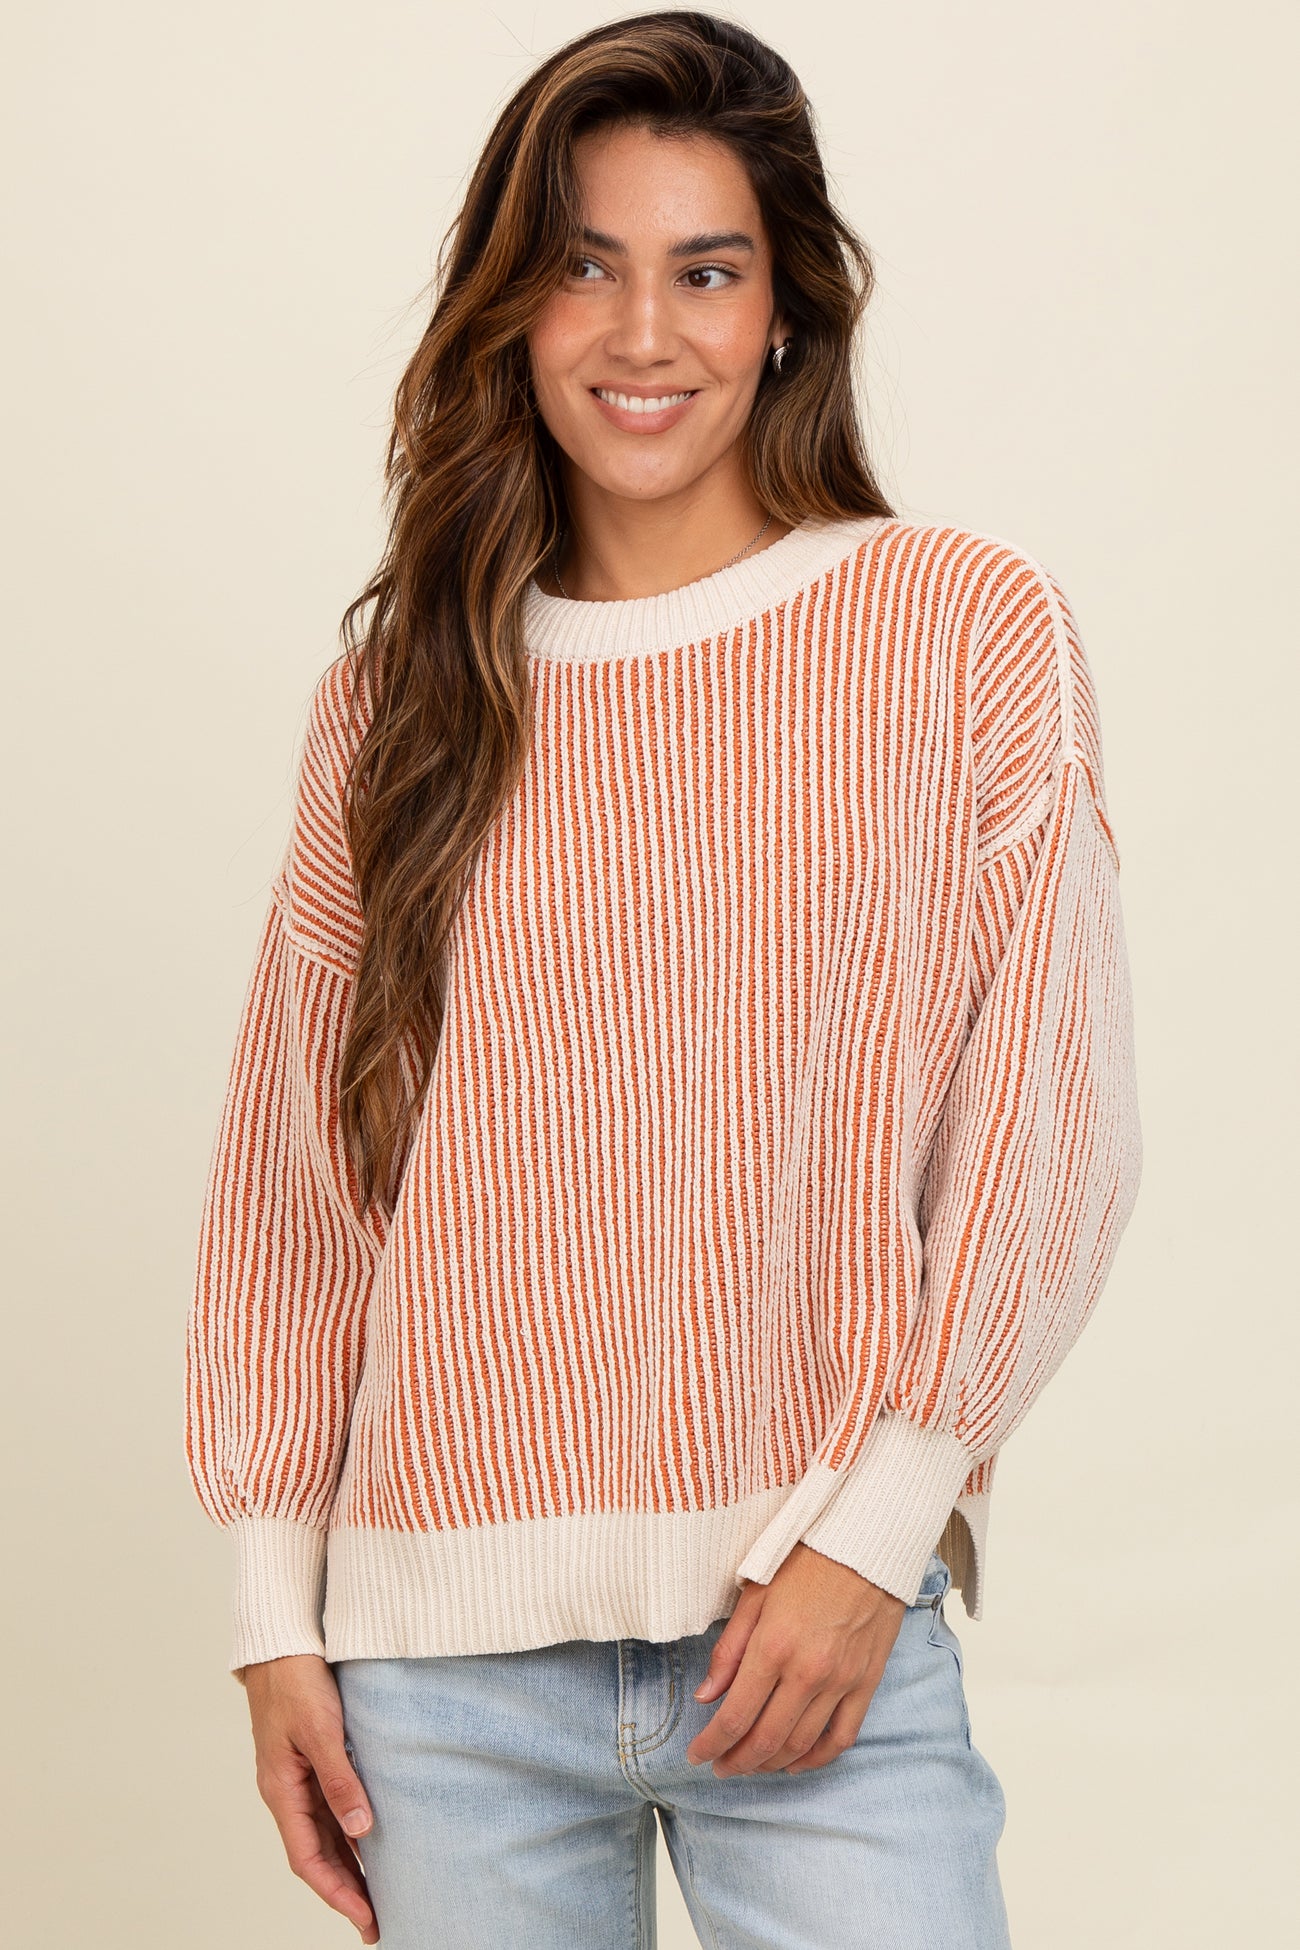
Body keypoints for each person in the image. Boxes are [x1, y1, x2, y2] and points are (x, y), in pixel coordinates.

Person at [183, 12, 1143, 1948]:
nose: (644, 334)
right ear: (509, 311)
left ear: (785, 309)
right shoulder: (392, 705)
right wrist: (277, 1618)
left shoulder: (955, 630)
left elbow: (1050, 1125)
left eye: (706, 271)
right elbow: (304, 1188)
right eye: (583, 267)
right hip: (434, 1688)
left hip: (811, 1634)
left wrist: (880, 1528)